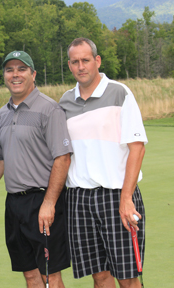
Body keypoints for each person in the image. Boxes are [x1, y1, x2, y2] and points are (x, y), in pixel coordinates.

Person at [59, 37, 148, 288]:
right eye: (75, 62)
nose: (81, 66)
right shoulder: (64, 102)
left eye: (86, 60)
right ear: (69, 65)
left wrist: (126, 197)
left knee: (128, 276)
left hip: (117, 195)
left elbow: (137, 148)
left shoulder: (120, 92)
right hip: (78, 199)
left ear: (97, 61)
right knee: (99, 275)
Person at [0, 51, 73, 288]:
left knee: (50, 274)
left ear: (33, 74)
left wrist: (49, 203)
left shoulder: (50, 109)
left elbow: (62, 159)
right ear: (4, 75)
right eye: (9, 70)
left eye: (21, 69)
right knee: (29, 274)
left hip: (43, 201)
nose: (15, 75)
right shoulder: (2, 114)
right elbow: (2, 162)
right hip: (14, 204)